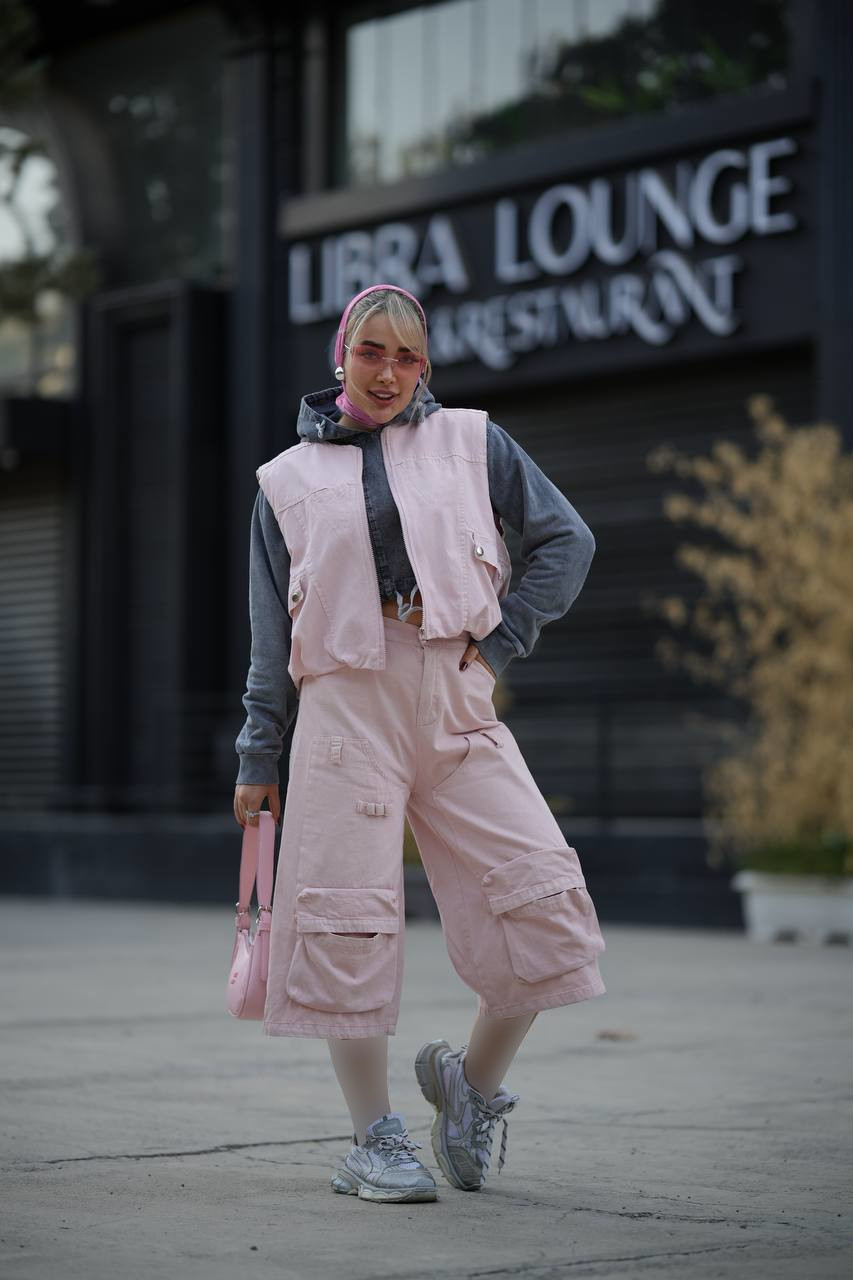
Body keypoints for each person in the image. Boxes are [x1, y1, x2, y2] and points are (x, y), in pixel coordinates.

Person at [233, 283, 607, 1204]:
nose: (388, 371)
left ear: (425, 366)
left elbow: (567, 540)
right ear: (341, 357)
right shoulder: (284, 481)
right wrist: (257, 754)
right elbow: (269, 637)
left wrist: (503, 638)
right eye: (371, 351)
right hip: (342, 710)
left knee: (542, 898)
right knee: (344, 921)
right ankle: (372, 1140)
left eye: (407, 356)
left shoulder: (473, 441)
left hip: (455, 693)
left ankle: (469, 1087)